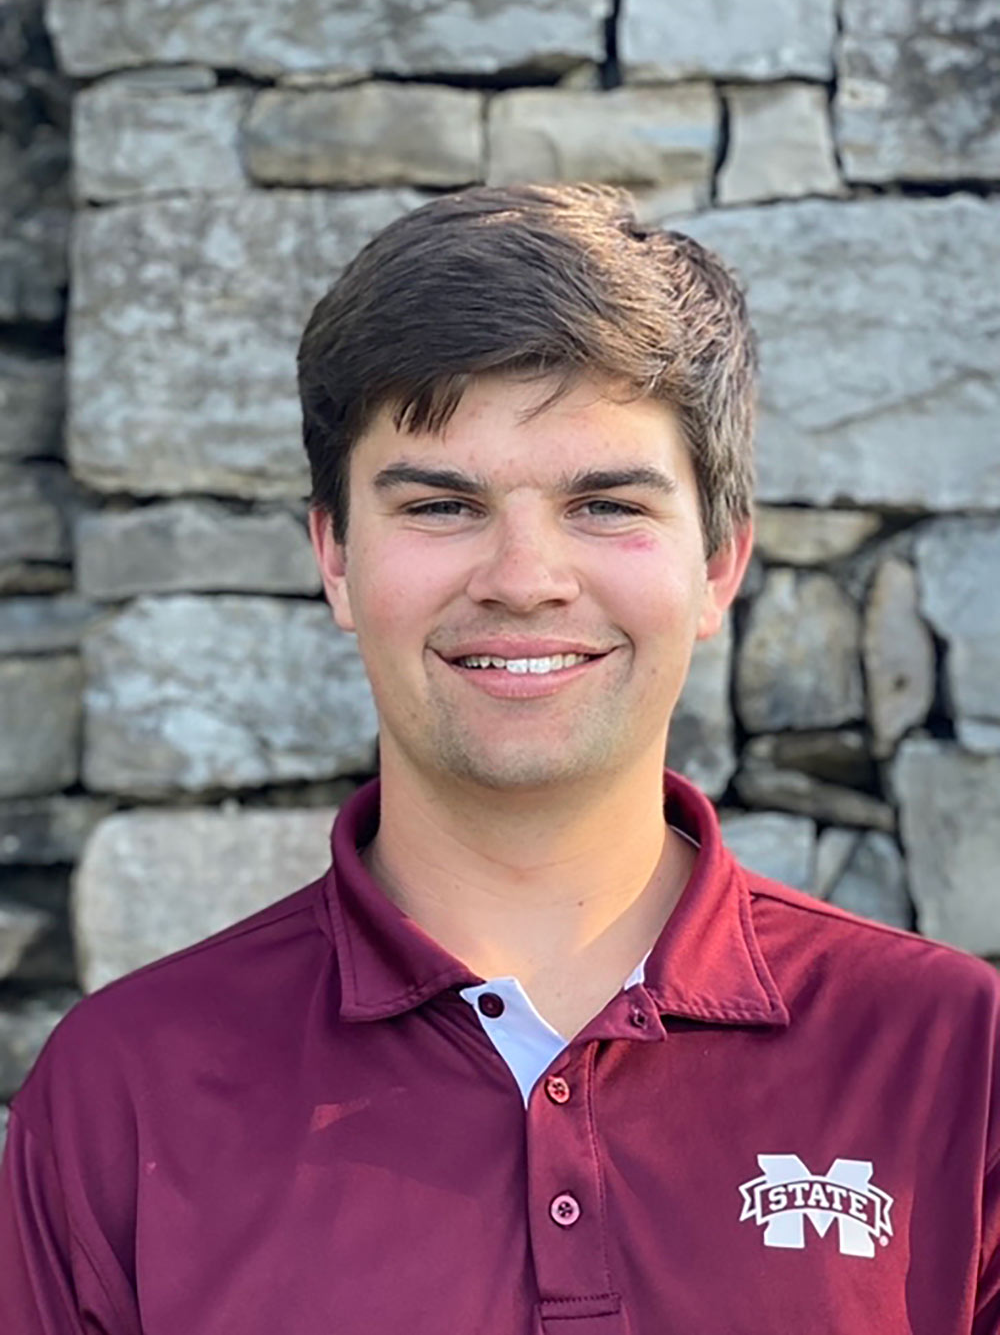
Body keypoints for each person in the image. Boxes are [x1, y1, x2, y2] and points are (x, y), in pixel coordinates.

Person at [1, 184, 998, 1334]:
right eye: (440, 505)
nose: (523, 577)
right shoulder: (123, 1093)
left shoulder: (952, 1059)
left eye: (604, 502)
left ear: (718, 563)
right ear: (334, 556)